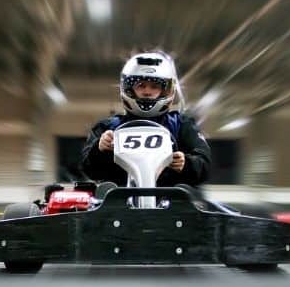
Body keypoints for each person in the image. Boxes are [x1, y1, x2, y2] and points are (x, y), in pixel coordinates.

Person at [80, 51, 211, 187]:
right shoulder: (107, 128)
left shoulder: (182, 125)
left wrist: (186, 164)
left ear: (166, 90)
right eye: (141, 85)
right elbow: (90, 170)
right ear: (129, 89)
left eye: (155, 86)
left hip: (171, 202)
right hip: (119, 201)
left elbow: (204, 165)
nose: (147, 92)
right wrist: (100, 150)